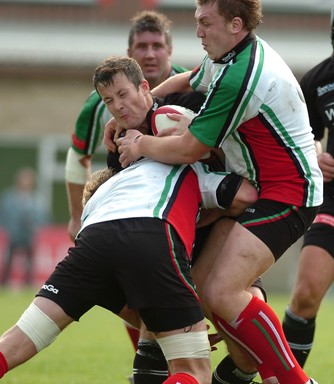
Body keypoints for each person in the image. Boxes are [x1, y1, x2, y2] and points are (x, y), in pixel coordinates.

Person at [115, 0, 323, 383]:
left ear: (235, 24)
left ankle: (294, 379)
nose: (197, 32)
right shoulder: (230, 55)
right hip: (257, 187)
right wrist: (143, 105)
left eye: (204, 23)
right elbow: (190, 79)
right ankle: (243, 371)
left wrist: (141, 143)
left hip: (290, 193)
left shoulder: (242, 76)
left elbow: (190, 148)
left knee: (222, 292)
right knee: (203, 289)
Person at [0, 100, 258, 384]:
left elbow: (128, 302)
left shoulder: (108, 189)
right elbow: (245, 196)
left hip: (92, 239)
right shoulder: (186, 170)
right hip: (150, 236)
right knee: (193, 370)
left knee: (18, 339)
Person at [65, 9, 188, 242]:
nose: (150, 54)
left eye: (157, 46)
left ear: (170, 50)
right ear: (130, 53)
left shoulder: (192, 87)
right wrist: (76, 216)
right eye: (142, 47)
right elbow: (78, 156)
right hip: (137, 212)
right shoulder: (98, 103)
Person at [282, 8, 334, 368]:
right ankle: (285, 377)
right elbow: (298, 137)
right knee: (304, 296)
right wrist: (315, 156)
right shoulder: (319, 79)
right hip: (331, 203)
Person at [0, 167, 51, 287]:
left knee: (30, 261)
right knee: (9, 259)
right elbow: (4, 215)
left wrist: (37, 227)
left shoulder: (36, 199)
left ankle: (28, 283)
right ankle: (4, 283)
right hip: (14, 234)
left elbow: (44, 217)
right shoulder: (9, 197)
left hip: (29, 234)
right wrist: (8, 229)